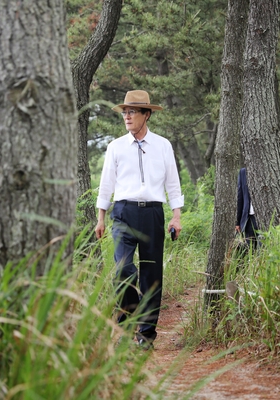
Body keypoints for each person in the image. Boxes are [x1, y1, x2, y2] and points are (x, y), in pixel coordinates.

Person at [95, 90, 184, 350]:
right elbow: (106, 185)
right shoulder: (115, 147)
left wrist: (176, 216)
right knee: (123, 270)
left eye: (132, 112)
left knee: (151, 275)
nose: (127, 116)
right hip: (122, 212)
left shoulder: (163, 145)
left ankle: (146, 336)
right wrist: (101, 218)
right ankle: (126, 321)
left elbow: (173, 184)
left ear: (147, 115)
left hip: (153, 213)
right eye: (125, 112)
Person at [235, 167, 259, 251]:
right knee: (251, 249)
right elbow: (240, 197)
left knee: (263, 249)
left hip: (265, 217)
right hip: (249, 219)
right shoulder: (243, 172)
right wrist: (237, 222)